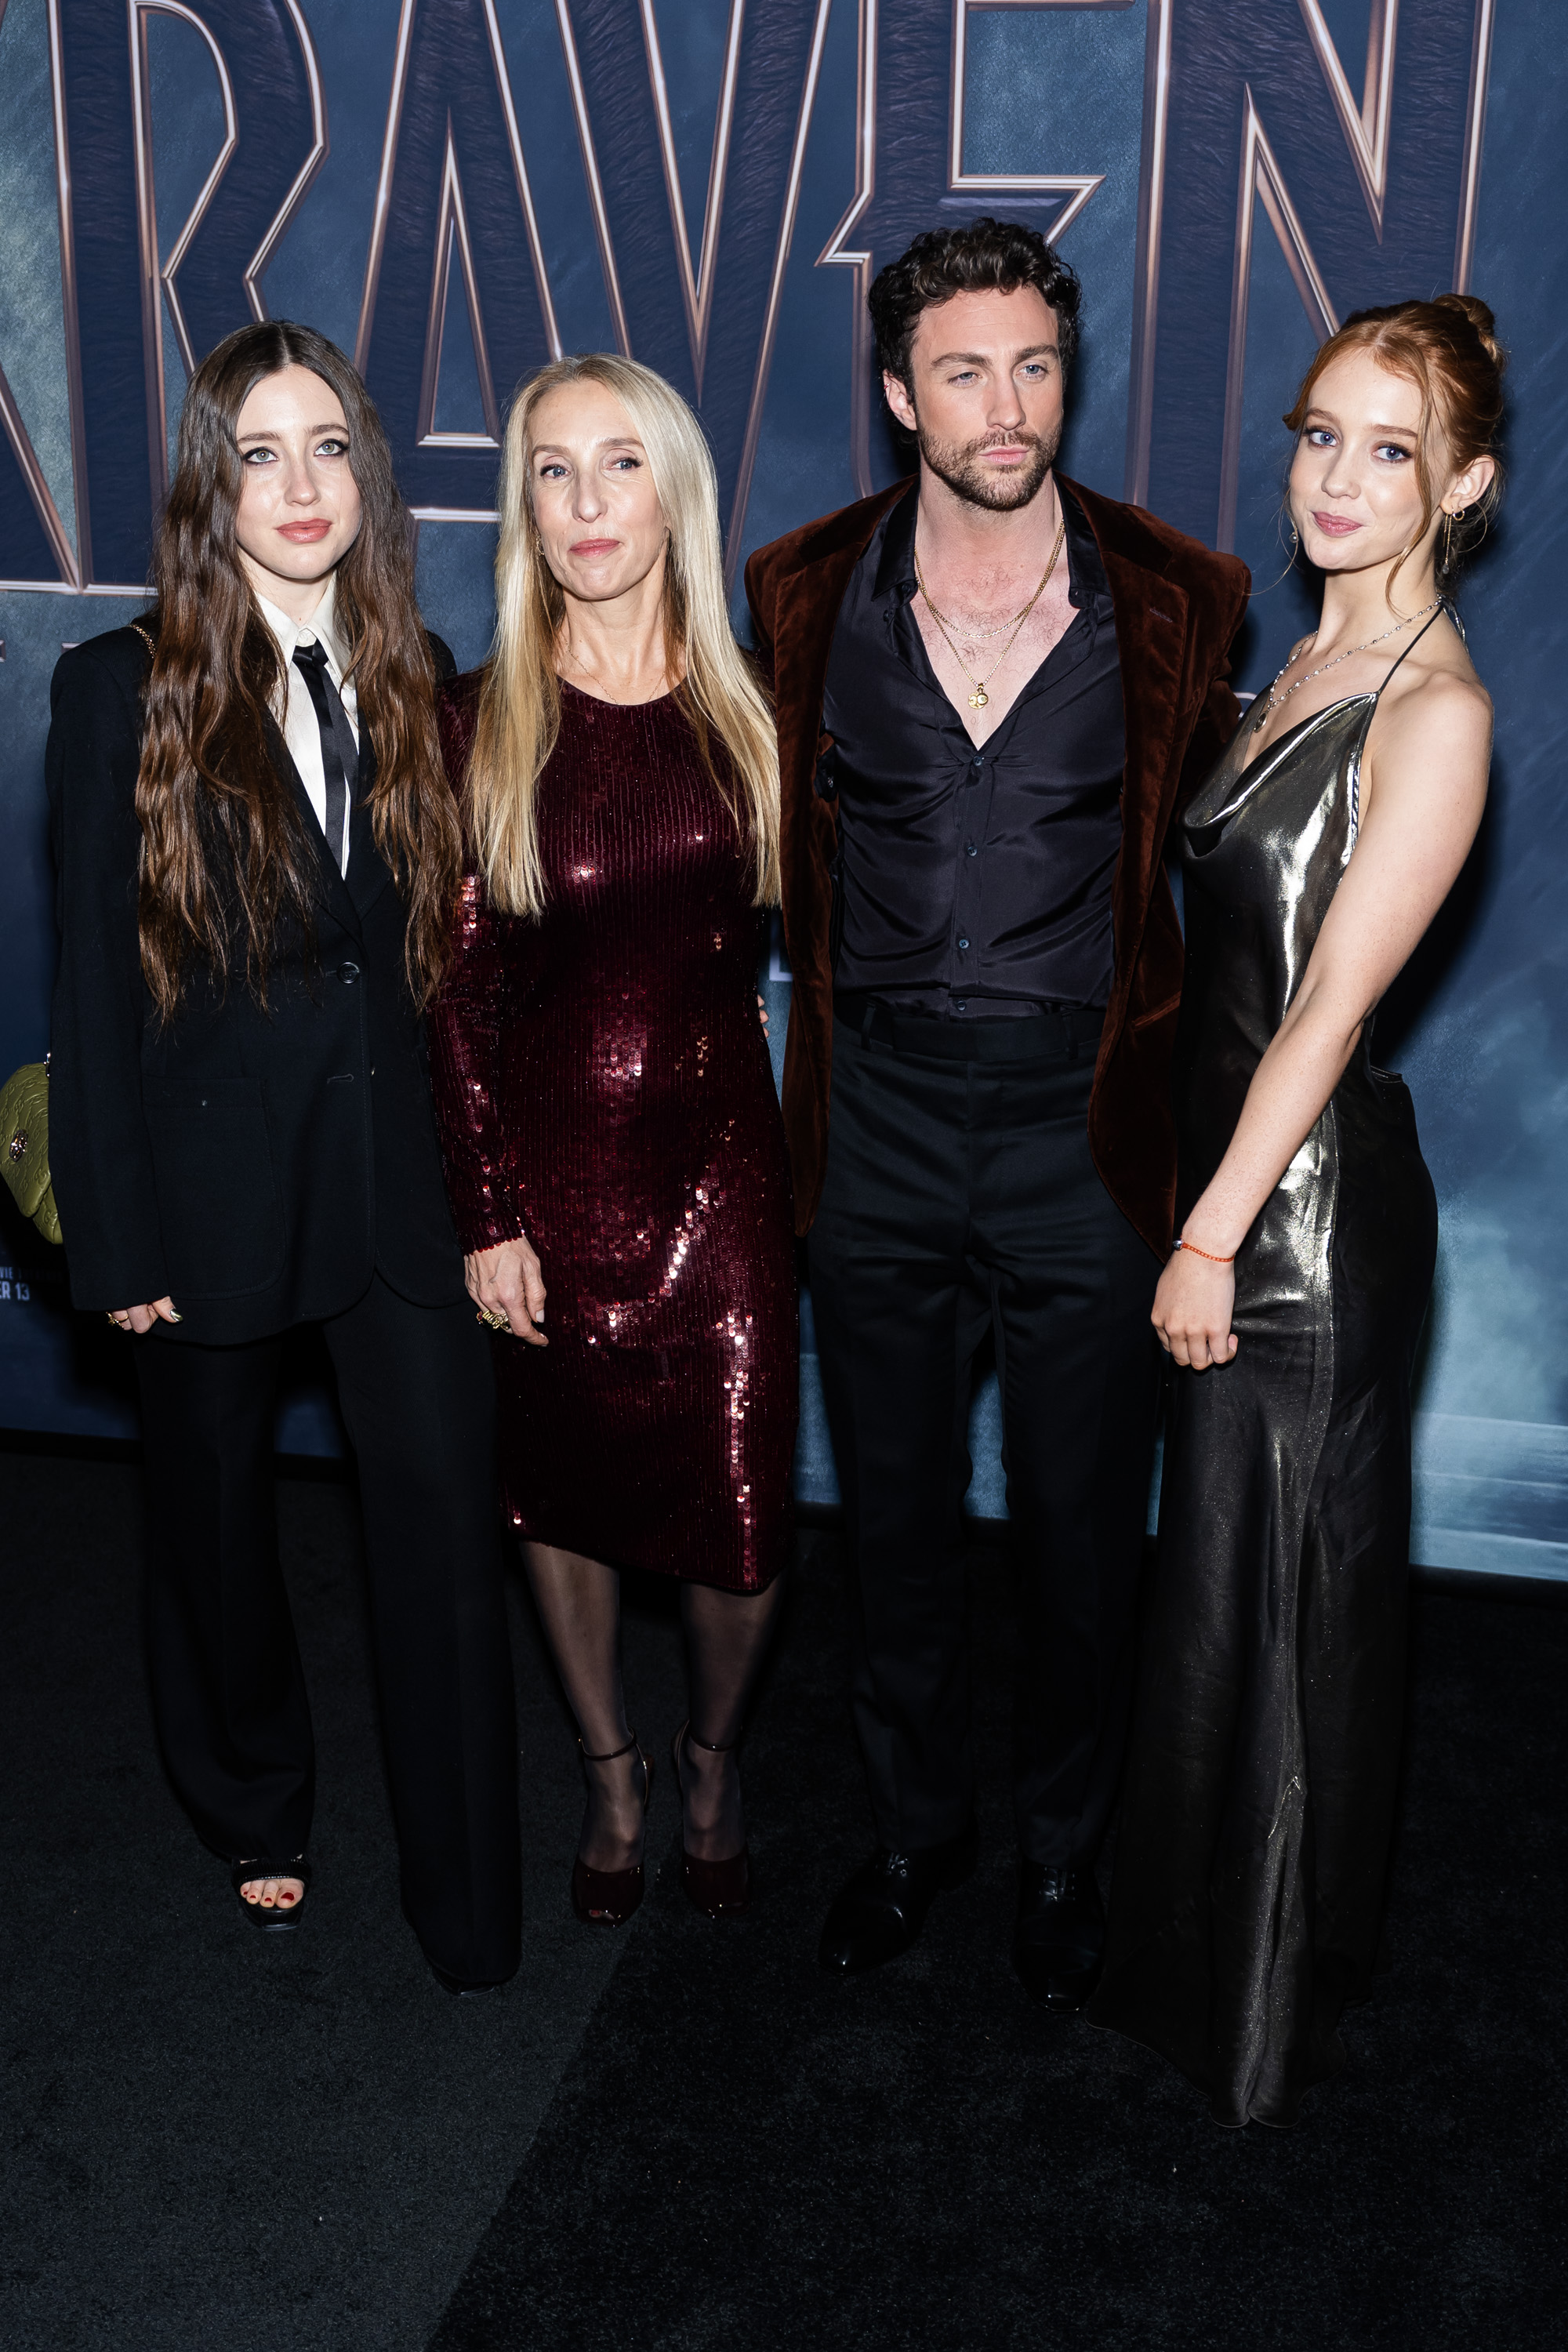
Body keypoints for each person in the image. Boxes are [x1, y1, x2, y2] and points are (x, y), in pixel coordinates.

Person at [743, 218, 1249, 2002]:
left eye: (1033, 362)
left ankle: (1057, 1856)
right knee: (887, 1520)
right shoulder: (796, 589)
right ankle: (908, 1835)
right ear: (898, 394)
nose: (1006, 401)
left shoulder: (1181, 598)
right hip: (872, 1124)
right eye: (963, 368)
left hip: (1081, 1135)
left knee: (1073, 1530)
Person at [46, 321, 522, 1996]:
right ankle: (256, 1803)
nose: (302, 484)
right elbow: (91, 989)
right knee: (215, 1529)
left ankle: (468, 1894)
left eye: (330, 447)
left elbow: (448, 970)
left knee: (450, 1545)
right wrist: (112, 1242)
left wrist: (496, 1198)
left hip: (399, 1185)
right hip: (202, 1192)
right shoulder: (120, 684)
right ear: (211, 484)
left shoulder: (419, 664)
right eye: (261, 452)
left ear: (367, 475)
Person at [1087, 296, 1504, 2125]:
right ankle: (1181, 1965)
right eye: (1318, 433)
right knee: (1216, 1602)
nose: (1338, 476)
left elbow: (1326, 1012)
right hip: (1239, 1189)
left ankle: (1259, 2023)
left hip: (1309, 1224)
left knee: (1290, 1617)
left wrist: (1206, 1234)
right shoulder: (1287, 666)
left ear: (1464, 486)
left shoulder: (1435, 712)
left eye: (1389, 449)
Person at [427, 354, 795, 1929]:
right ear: (525, 505)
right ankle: (611, 1774)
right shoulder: (474, 718)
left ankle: (713, 1756)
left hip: (724, 1177)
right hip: (549, 1181)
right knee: (557, 1498)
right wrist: (489, 1209)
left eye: (620, 466)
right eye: (554, 471)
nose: (587, 503)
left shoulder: (758, 701)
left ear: (675, 495)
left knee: (737, 1515)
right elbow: (450, 993)